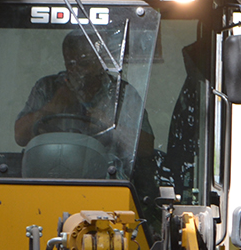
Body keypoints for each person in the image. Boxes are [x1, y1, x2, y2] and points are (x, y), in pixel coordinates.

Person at [13, 30, 155, 158]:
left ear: (101, 62)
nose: (77, 71)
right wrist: (52, 106)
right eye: (70, 63)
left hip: (109, 180)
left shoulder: (123, 93)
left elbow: (146, 147)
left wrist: (108, 125)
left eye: (84, 64)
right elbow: (20, 137)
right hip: (52, 173)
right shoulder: (47, 88)